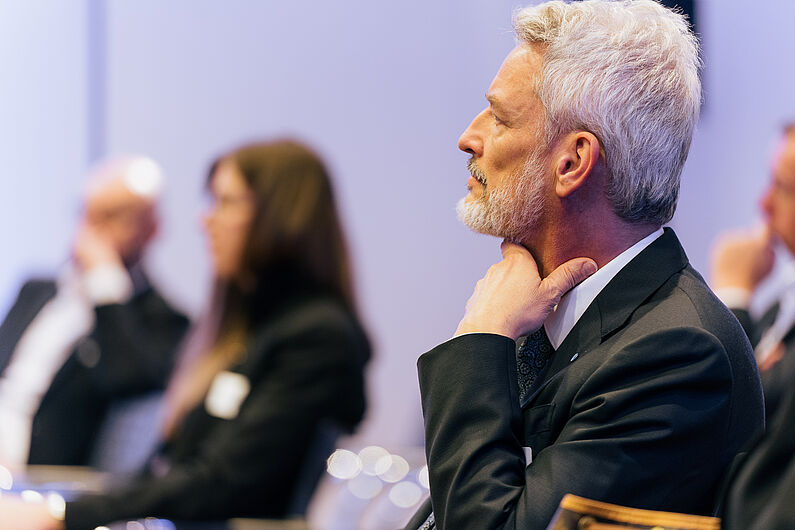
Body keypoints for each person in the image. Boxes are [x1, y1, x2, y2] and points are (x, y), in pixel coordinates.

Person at [405, 1, 764, 529]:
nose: (469, 137)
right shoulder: (551, 316)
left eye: (499, 118)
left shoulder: (675, 354)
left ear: (572, 162)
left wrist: (482, 336)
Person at [0, 139, 370, 529]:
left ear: (281, 216)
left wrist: (61, 515)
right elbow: (169, 470)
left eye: (226, 202)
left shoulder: (315, 336)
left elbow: (219, 481)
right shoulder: (246, 331)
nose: (205, 220)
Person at [0, 156, 189, 468]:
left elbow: (127, 382)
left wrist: (106, 287)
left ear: (152, 228)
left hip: (42, 475)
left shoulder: (165, 320)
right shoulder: (36, 290)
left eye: (112, 217)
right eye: (87, 213)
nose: (92, 229)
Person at [709, 123, 795, 529]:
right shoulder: (778, 313)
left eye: (783, 187)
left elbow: (722, 414)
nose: (765, 203)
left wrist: (733, 296)